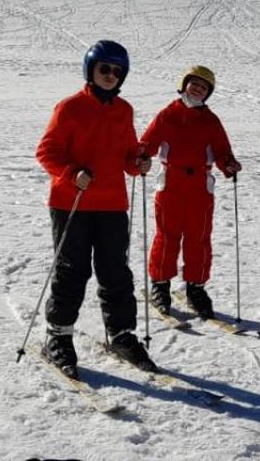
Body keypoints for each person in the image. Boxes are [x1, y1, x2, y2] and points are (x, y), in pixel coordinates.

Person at [34, 40, 152, 375]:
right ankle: (57, 335)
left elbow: (128, 154)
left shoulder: (123, 110)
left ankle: (120, 333)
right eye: (104, 69)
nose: (110, 75)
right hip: (72, 201)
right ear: (91, 70)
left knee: (115, 270)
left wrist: (137, 163)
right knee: (72, 271)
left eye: (117, 71)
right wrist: (73, 173)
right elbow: (47, 151)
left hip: (113, 203)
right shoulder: (69, 107)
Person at [138, 66, 242, 321]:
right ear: (184, 85)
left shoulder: (210, 120)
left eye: (203, 87)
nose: (197, 89)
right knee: (167, 235)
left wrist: (229, 164)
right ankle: (160, 285)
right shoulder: (168, 114)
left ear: (208, 93)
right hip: (171, 181)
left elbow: (221, 151)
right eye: (194, 84)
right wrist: (140, 156)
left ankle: (196, 288)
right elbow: (148, 142)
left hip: (199, 184)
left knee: (199, 237)